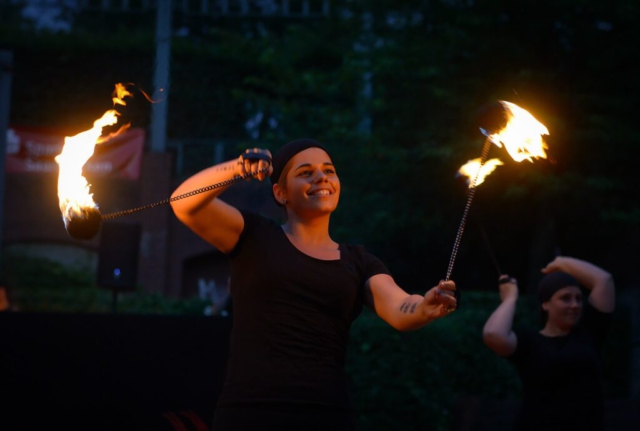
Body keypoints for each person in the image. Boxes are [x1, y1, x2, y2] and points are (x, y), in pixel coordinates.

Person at [170, 138, 458, 430]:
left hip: (326, 413)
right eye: (305, 172)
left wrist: (424, 305)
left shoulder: (358, 261)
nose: (321, 177)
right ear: (280, 193)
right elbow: (184, 203)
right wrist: (237, 168)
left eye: (329, 171)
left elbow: (399, 307)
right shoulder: (255, 237)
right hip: (251, 411)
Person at [482, 256, 615, 431]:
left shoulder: (589, 332)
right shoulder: (530, 342)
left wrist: (561, 262)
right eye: (565, 298)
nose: (575, 304)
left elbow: (604, 280)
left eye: (578, 298)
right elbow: (493, 334)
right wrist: (510, 298)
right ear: (546, 304)